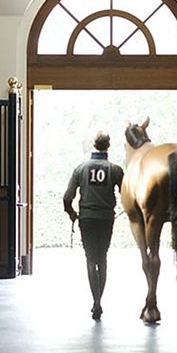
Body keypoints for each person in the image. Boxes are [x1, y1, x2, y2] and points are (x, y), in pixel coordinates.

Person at [63, 131, 124, 321]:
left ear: (93, 145)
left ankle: (95, 301)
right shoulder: (115, 170)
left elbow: (67, 197)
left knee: (90, 259)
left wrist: (73, 214)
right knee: (102, 258)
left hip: (87, 219)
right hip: (106, 219)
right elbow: (127, 195)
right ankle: (99, 301)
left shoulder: (81, 169)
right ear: (108, 146)